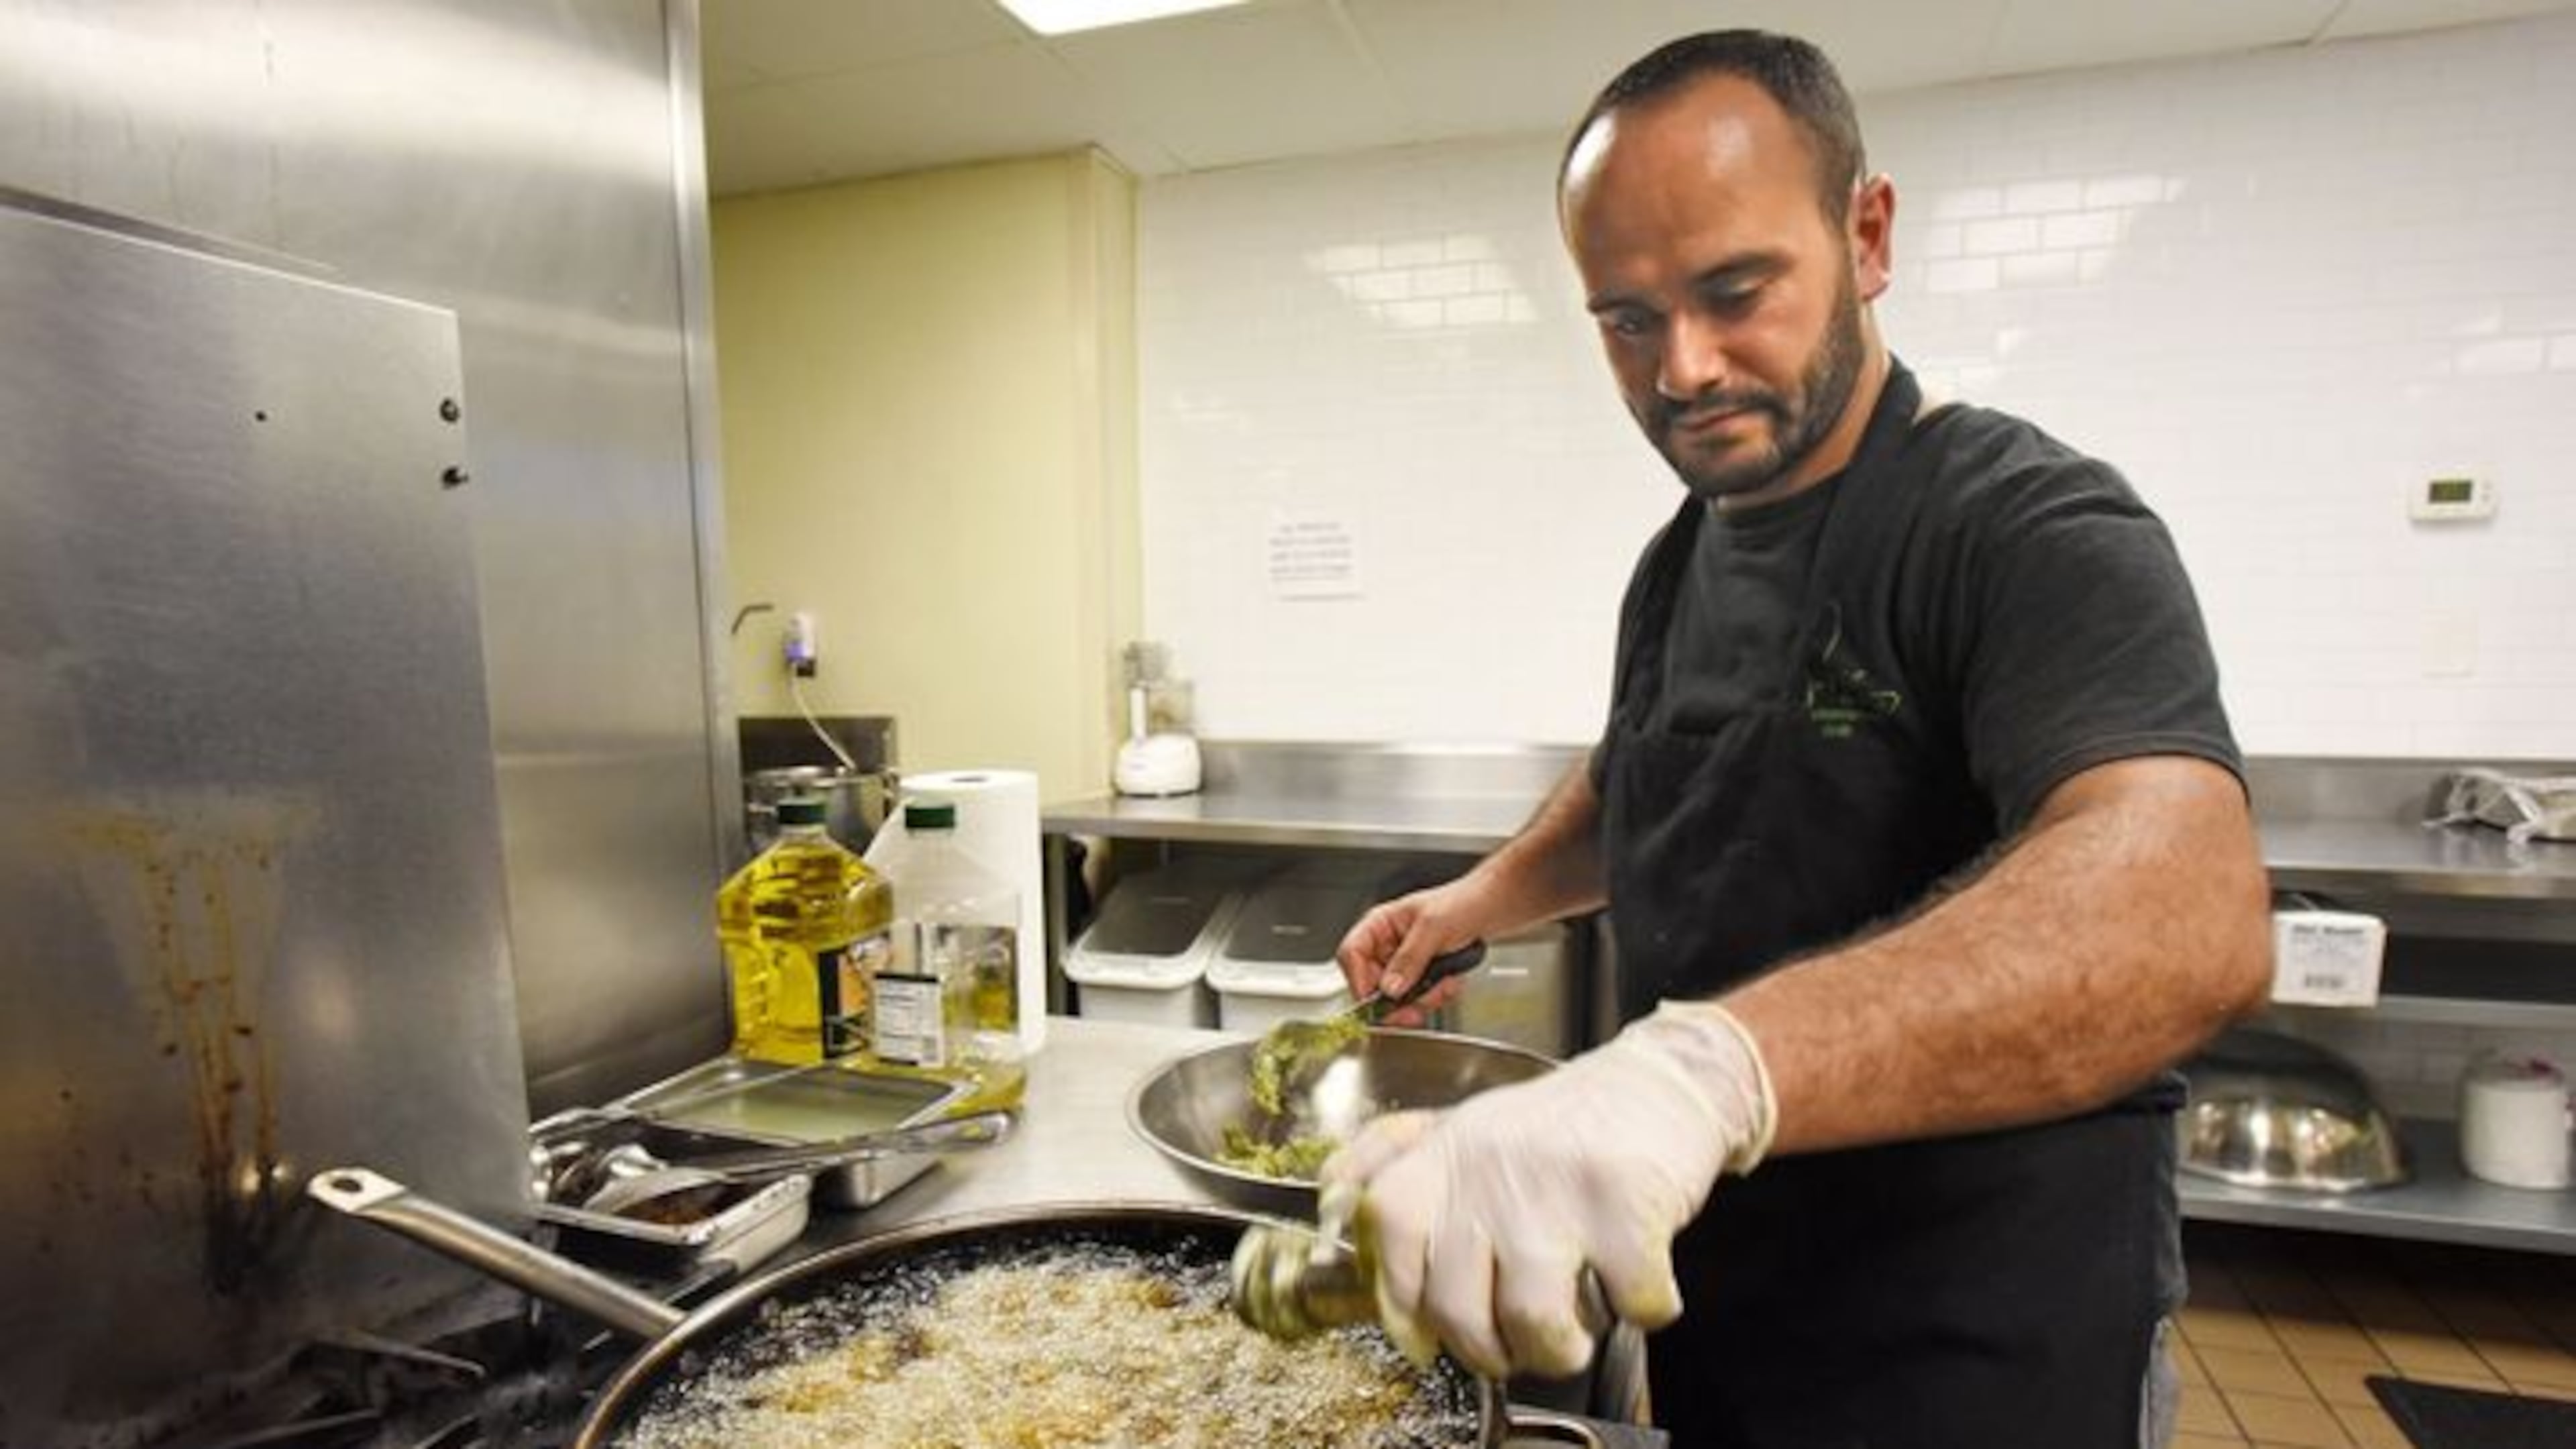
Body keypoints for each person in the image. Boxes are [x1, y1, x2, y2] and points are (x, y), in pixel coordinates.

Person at [1325, 30, 2273, 1449]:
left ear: (1867, 233)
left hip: (1981, 1344)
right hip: (1727, 1307)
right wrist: (1481, 900)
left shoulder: (2024, 527)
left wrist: (1697, 1072)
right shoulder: (1682, 555)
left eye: (1734, 291)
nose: (1685, 368)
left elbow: (2183, 907)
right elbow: (1647, 768)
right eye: (1627, 320)